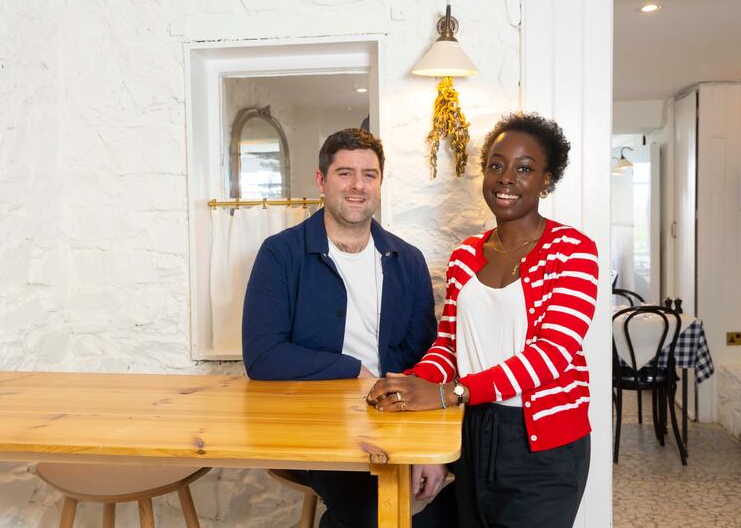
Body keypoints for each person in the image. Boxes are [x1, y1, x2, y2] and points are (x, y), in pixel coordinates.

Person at [367, 113, 599, 528]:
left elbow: (552, 354)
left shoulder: (573, 251)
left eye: (524, 168)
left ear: (546, 180)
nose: (506, 178)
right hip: (472, 428)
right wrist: (409, 385)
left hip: (543, 446)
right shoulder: (464, 256)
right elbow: (449, 346)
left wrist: (448, 393)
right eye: (496, 165)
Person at [242, 128, 457, 528]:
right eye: (345, 173)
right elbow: (263, 356)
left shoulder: (407, 260)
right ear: (321, 180)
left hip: (393, 414)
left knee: (477, 489)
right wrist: (352, 369)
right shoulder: (281, 253)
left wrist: (425, 447)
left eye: (369, 174)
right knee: (368, 514)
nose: (358, 185)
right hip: (312, 425)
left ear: (379, 183)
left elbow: (424, 359)